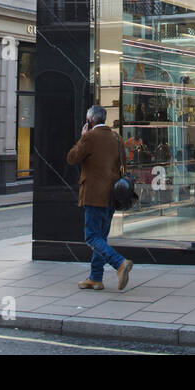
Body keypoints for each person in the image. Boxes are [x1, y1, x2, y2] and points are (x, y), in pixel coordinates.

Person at [66, 105, 134, 291]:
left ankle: (119, 263)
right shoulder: (116, 137)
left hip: (94, 194)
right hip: (112, 195)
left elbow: (72, 158)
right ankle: (96, 277)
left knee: (92, 237)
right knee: (101, 237)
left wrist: (82, 137)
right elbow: (124, 165)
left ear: (90, 120)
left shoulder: (89, 137)